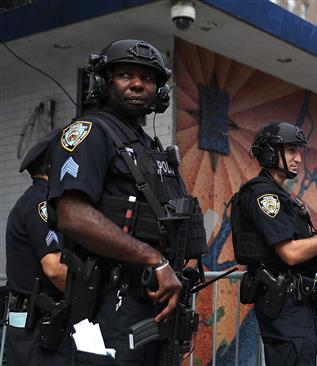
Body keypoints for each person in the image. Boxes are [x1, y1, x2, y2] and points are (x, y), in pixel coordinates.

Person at [47, 39, 206, 365]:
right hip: (109, 303)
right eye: (125, 75)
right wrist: (154, 260)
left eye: (147, 78)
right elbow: (72, 215)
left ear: (159, 92)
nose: (137, 84)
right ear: (104, 83)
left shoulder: (149, 148)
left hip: (153, 303)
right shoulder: (90, 132)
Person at [231, 122, 317, 366]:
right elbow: (291, 253)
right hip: (286, 305)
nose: (299, 159)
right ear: (271, 153)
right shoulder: (265, 196)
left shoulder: (282, 196)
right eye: (291, 151)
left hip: (294, 306)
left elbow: (298, 242)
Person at [5, 130, 71, 365]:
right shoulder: (42, 202)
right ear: (53, 166)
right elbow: (53, 268)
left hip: (30, 323)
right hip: (39, 325)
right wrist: (90, 302)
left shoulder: (30, 199)